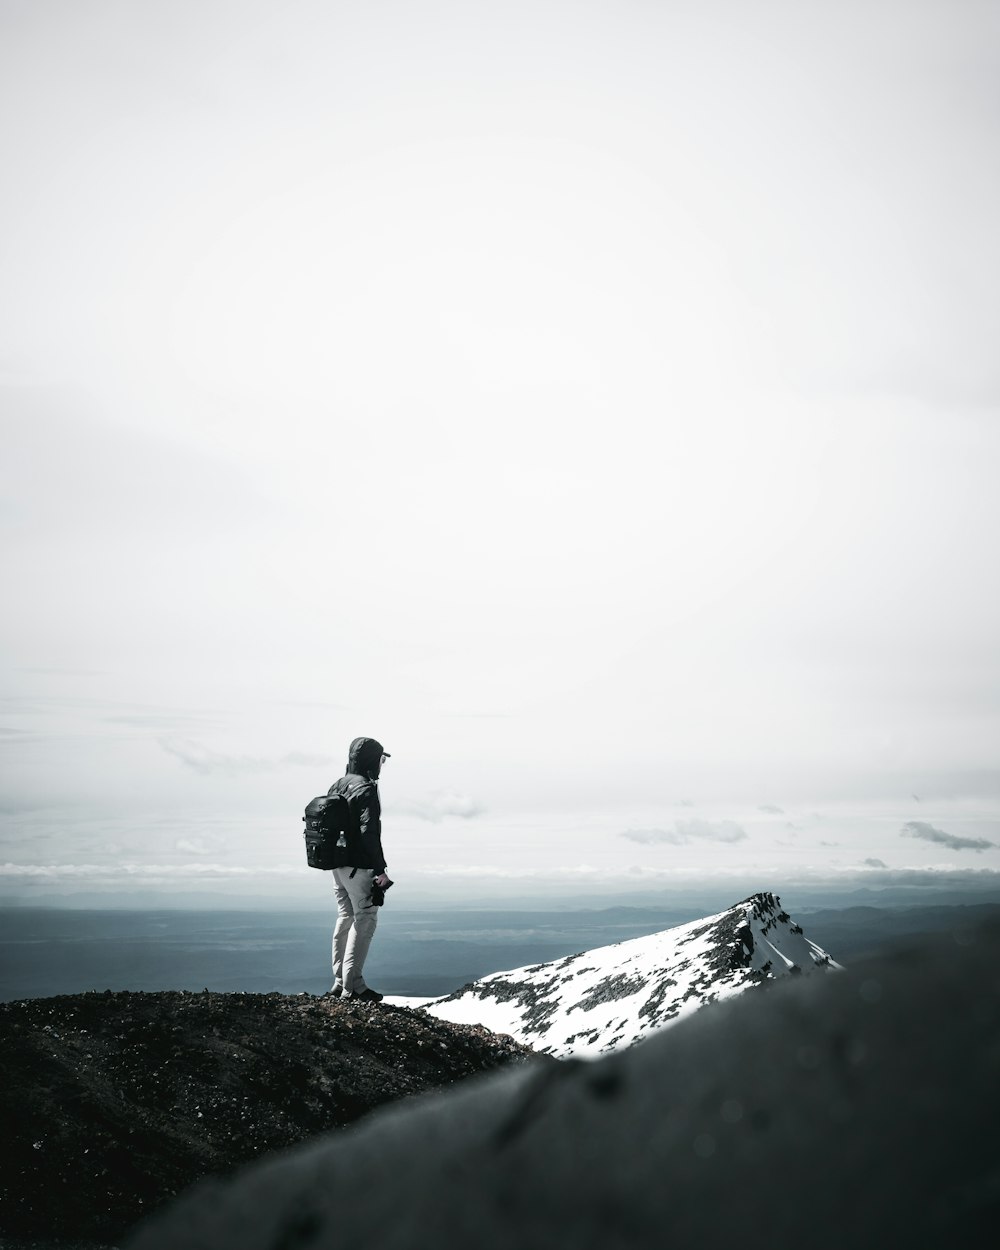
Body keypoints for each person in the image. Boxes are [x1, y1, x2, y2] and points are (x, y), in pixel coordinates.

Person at [326, 736, 393, 1002]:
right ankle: (352, 987)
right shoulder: (365, 788)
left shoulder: (337, 784)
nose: (382, 765)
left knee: (345, 917)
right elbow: (369, 831)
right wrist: (380, 869)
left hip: (336, 865)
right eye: (381, 760)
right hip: (358, 866)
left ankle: (340, 980)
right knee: (365, 918)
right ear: (371, 761)